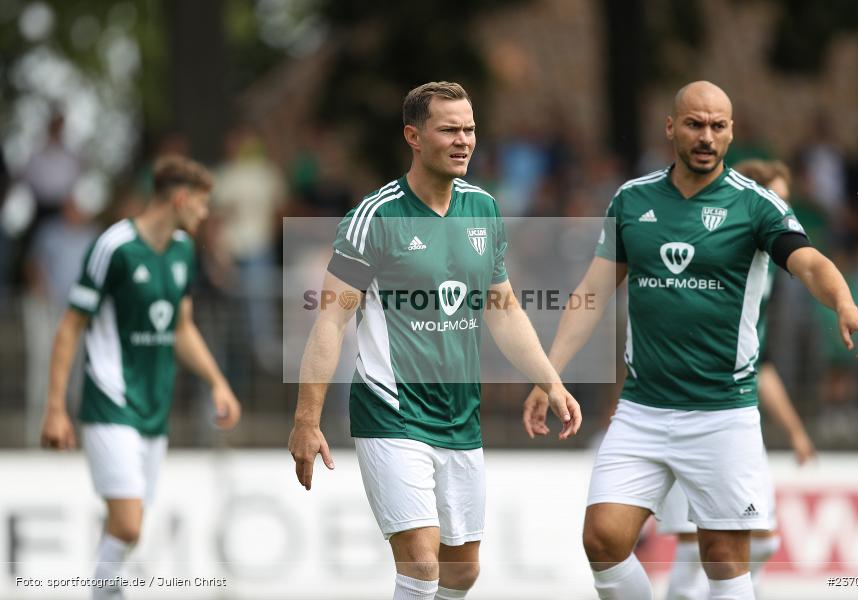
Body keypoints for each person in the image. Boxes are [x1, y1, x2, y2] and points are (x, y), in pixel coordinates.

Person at [522, 81, 858, 600]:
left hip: (721, 413)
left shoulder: (754, 206)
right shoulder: (633, 199)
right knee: (602, 540)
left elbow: (811, 262)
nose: (706, 135)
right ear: (671, 128)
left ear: (731, 132)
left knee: (723, 557)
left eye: (717, 125)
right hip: (642, 408)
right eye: (694, 124)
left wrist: (843, 303)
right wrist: (547, 374)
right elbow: (592, 294)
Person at [288, 81, 582, 600]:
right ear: (414, 136)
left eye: (469, 129)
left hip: (459, 414)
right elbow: (330, 323)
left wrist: (550, 381)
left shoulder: (484, 211)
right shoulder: (375, 217)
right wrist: (306, 420)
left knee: (461, 570)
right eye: (449, 129)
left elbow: (504, 309)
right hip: (391, 412)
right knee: (422, 564)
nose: (463, 140)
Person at [39, 155, 242, 600]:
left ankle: (103, 590)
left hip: (154, 406)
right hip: (110, 400)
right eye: (202, 205)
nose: (205, 215)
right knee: (129, 523)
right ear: (182, 199)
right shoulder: (114, 247)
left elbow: (181, 327)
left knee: (126, 528)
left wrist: (216, 381)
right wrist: (55, 408)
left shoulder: (184, 251)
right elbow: (70, 325)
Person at [657, 159, 816, 600]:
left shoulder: (760, 279)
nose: (784, 212)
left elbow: (760, 364)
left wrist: (796, 431)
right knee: (698, 547)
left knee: (759, 541)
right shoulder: (717, 266)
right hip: (684, 410)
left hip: (732, 417)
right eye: (777, 200)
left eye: (787, 201)